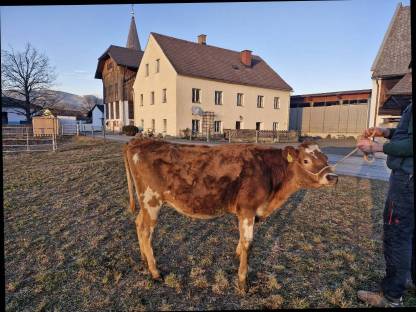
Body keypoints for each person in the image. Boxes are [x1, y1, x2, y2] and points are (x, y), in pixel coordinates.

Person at [356, 103, 413, 307]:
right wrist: (386, 132)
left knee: (397, 236)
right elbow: (406, 133)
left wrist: (376, 146)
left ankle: (391, 297)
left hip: (408, 180)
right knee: (411, 234)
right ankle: (409, 280)